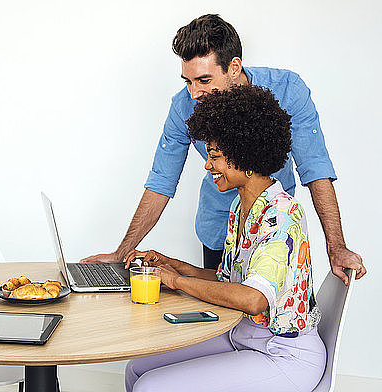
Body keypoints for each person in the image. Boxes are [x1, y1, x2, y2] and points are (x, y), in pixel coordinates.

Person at [81, 14, 365, 285]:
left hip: (272, 226)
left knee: (262, 310)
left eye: (204, 80)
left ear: (234, 67)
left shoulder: (288, 90)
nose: (194, 93)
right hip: (219, 228)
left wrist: (336, 246)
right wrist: (121, 254)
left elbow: (315, 168)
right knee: (221, 311)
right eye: (188, 81)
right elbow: (161, 181)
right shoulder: (184, 106)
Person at [125, 85, 325, 392]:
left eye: (215, 156)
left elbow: (252, 298)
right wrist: (172, 266)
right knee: (136, 368)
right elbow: (227, 279)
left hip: (285, 355)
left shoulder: (282, 215)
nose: (208, 165)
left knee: (150, 387)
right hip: (243, 336)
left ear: (245, 156)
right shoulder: (241, 206)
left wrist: (175, 282)